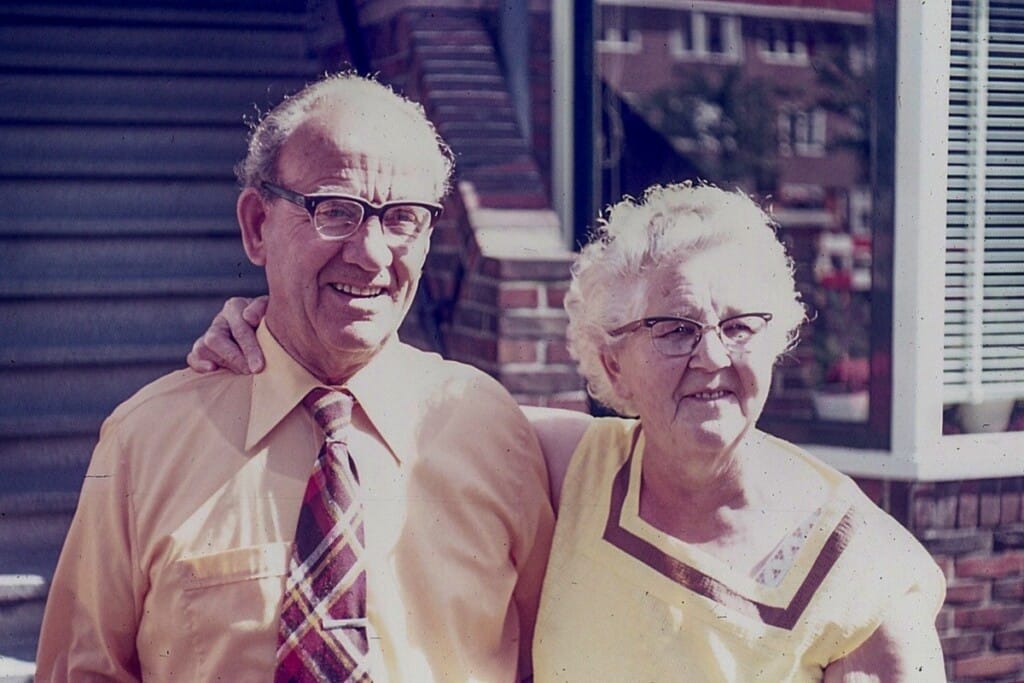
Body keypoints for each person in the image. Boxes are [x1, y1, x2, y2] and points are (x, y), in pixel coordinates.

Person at [195, 182, 947, 681]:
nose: (714, 357)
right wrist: (275, 333)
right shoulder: (573, 467)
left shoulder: (863, 576)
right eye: (675, 328)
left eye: (741, 327)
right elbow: (396, 396)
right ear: (613, 365)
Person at [36, 73, 554, 682]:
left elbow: (552, 661)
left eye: (402, 219)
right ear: (257, 225)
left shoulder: (490, 430)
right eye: (335, 211)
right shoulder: (144, 442)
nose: (372, 254)